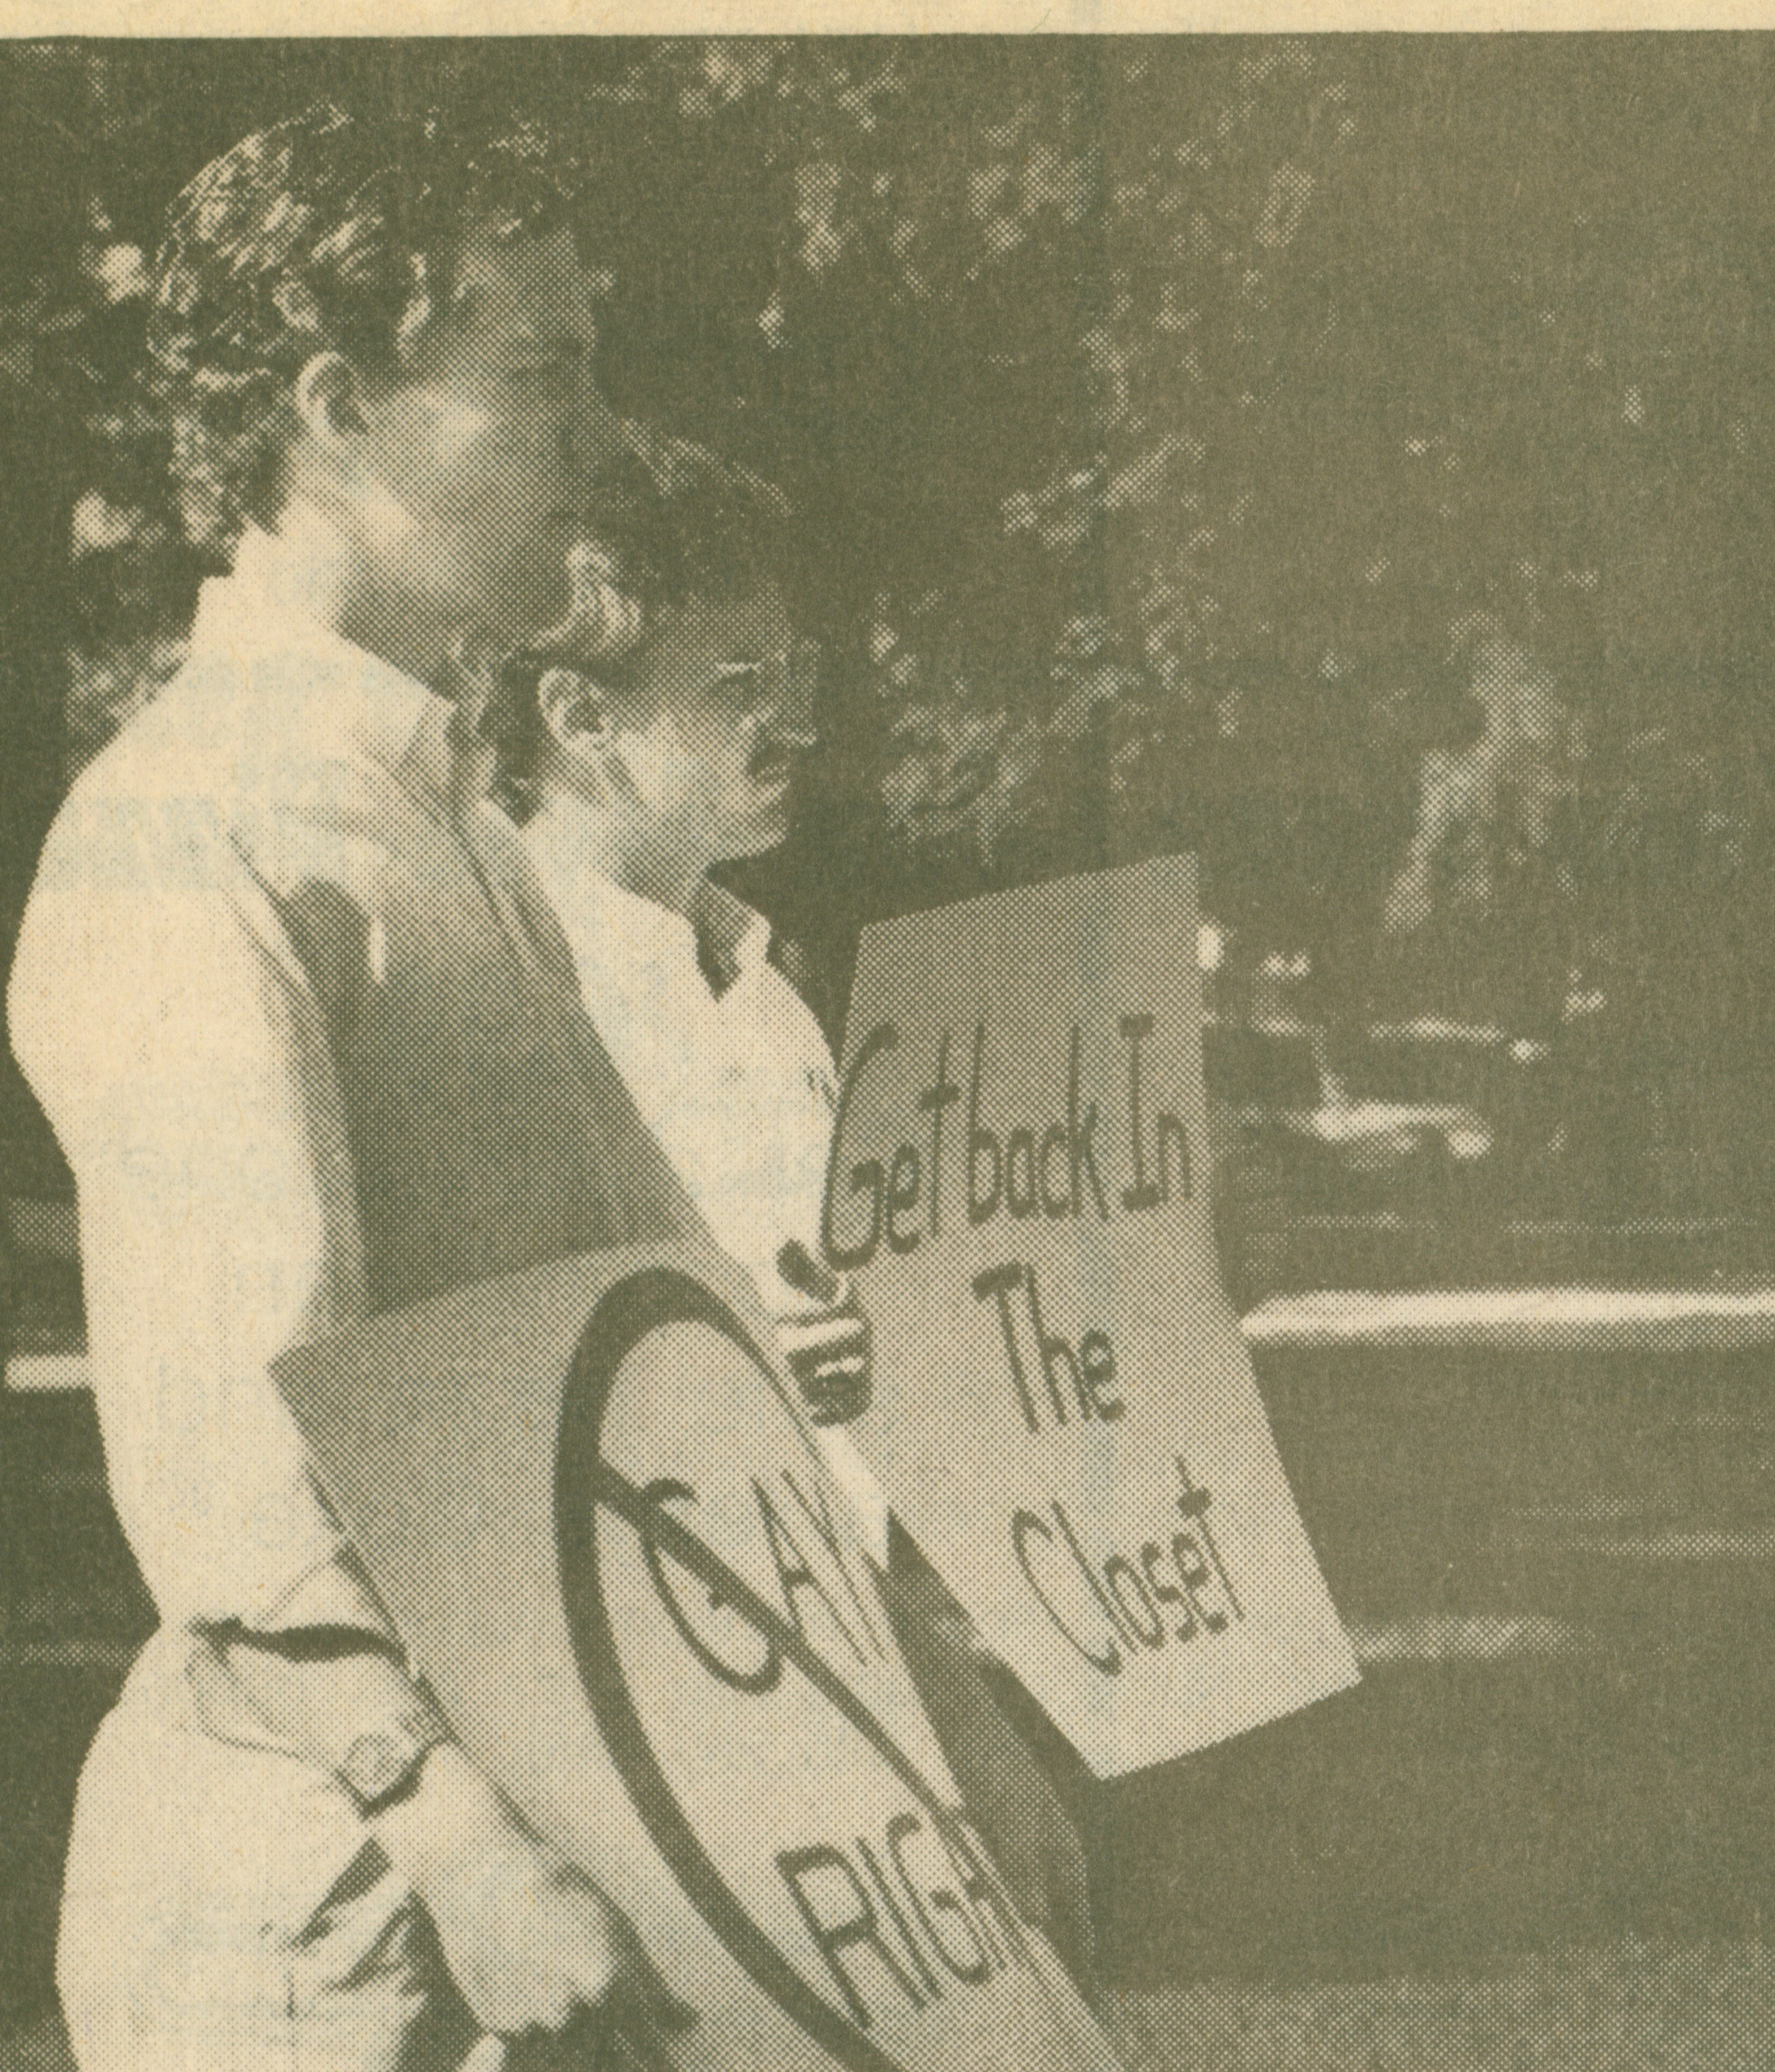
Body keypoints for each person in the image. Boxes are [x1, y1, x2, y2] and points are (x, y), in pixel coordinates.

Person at [12, 106, 695, 2070]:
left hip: (548, 1864)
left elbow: (646, 1328)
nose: (600, 432)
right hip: (340, 1920)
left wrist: (919, 1702)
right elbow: (231, 1448)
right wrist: (459, 1842)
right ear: (334, 410)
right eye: (541, 375)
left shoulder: (443, 806)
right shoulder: (190, 826)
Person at [484, 421, 1096, 1977]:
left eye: (798, 674)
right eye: (740, 685)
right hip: (604, 1770)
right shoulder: (497, 992)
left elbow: (841, 1430)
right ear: (581, 718)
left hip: (818, 1719)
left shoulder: (765, 997)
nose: (796, 722)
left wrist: (953, 1714)